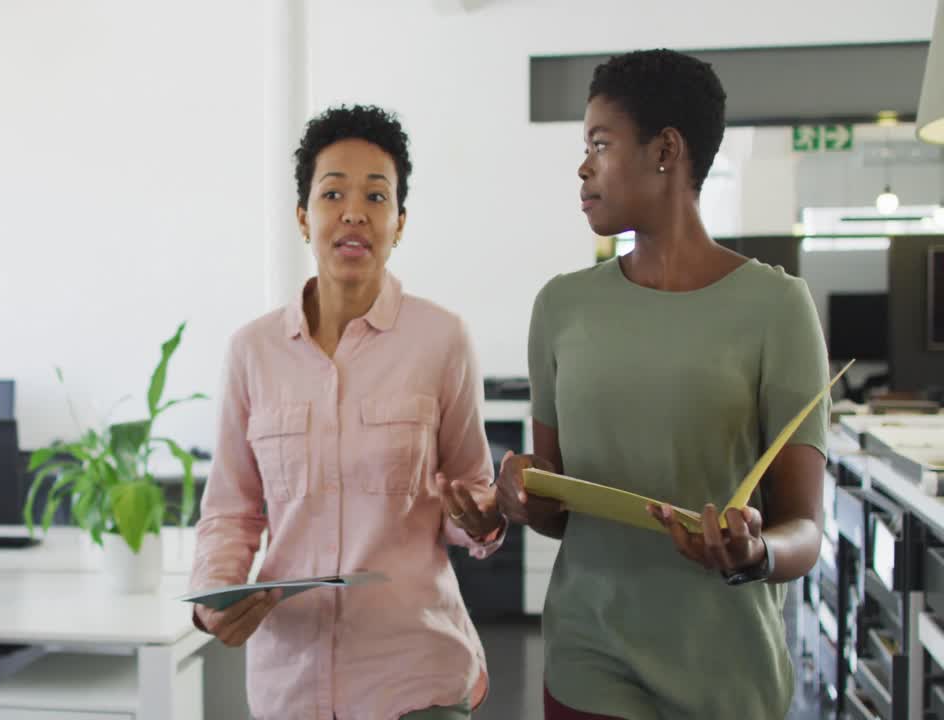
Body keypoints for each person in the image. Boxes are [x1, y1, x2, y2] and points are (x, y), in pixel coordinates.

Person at [498, 49, 829, 720]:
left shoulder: (778, 308)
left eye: (600, 142)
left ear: (666, 150)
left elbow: (806, 532)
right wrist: (520, 495)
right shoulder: (561, 307)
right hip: (588, 661)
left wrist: (754, 551)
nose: (583, 166)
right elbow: (557, 510)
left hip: (726, 675)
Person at [189, 104, 506, 720]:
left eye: (376, 195)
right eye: (333, 193)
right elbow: (230, 509)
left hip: (414, 678)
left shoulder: (441, 339)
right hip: (290, 684)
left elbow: (472, 493)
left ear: (400, 222)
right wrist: (212, 602)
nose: (354, 211)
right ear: (305, 218)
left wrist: (482, 516)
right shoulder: (251, 351)